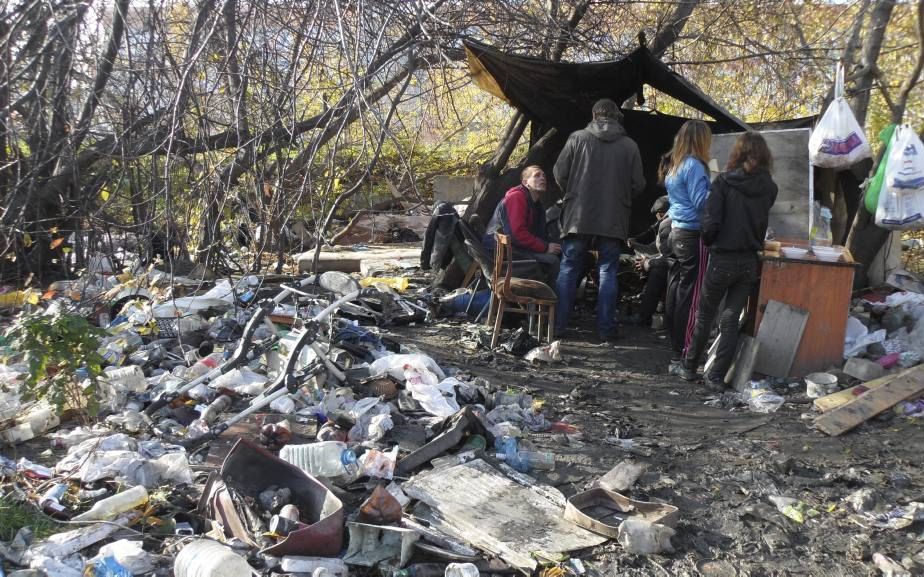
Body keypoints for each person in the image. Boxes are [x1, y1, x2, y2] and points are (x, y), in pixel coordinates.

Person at [681, 132, 778, 388]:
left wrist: (710, 241)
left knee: (705, 315)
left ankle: (689, 367)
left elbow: (711, 222)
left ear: (737, 153)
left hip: (722, 257)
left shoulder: (723, 182)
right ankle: (715, 376)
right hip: (748, 261)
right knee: (730, 319)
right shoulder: (769, 187)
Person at [553, 99, 646, 342]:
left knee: (569, 268)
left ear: (594, 114)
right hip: (613, 218)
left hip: (578, 216)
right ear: (617, 117)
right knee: (608, 271)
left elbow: (559, 173)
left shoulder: (577, 138)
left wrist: (572, 192)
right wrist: (621, 197)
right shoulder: (630, 146)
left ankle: (558, 326)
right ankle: (605, 329)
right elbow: (639, 184)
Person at [664, 120, 712, 373]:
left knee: (676, 291)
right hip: (692, 234)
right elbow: (702, 202)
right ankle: (683, 352)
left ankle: (674, 349)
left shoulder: (676, 165)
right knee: (691, 296)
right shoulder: (693, 165)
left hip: (677, 232)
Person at [483, 165, 561, 287]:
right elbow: (516, 234)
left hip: (515, 249)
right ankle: (551, 302)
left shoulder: (536, 205)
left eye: (544, 176)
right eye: (537, 175)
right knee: (553, 262)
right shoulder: (516, 197)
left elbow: (539, 234)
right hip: (500, 253)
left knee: (562, 253)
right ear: (525, 182)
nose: (543, 178)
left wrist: (556, 245)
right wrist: (545, 247)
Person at [627, 195, 672, 327]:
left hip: (671, 266)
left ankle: (644, 316)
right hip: (666, 261)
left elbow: (666, 255)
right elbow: (654, 247)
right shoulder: (665, 223)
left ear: (661, 214)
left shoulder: (668, 225)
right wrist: (636, 245)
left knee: (657, 272)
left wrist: (647, 262)